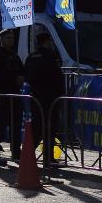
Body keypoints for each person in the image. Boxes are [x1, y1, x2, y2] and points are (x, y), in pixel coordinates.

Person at [24, 32, 64, 167]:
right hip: (49, 96)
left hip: (35, 96)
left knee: (37, 127)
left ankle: (27, 155)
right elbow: (57, 77)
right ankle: (48, 158)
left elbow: (26, 76)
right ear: (46, 42)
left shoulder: (30, 57)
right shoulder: (49, 57)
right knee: (50, 127)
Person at [0, 29, 25, 160]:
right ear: (1, 39)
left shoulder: (14, 55)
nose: (11, 40)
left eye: (12, 38)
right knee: (1, 124)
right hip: (2, 93)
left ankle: (16, 153)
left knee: (16, 124)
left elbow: (21, 69)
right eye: (8, 38)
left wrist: (21, 78)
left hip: (15, 93)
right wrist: (15, 78)